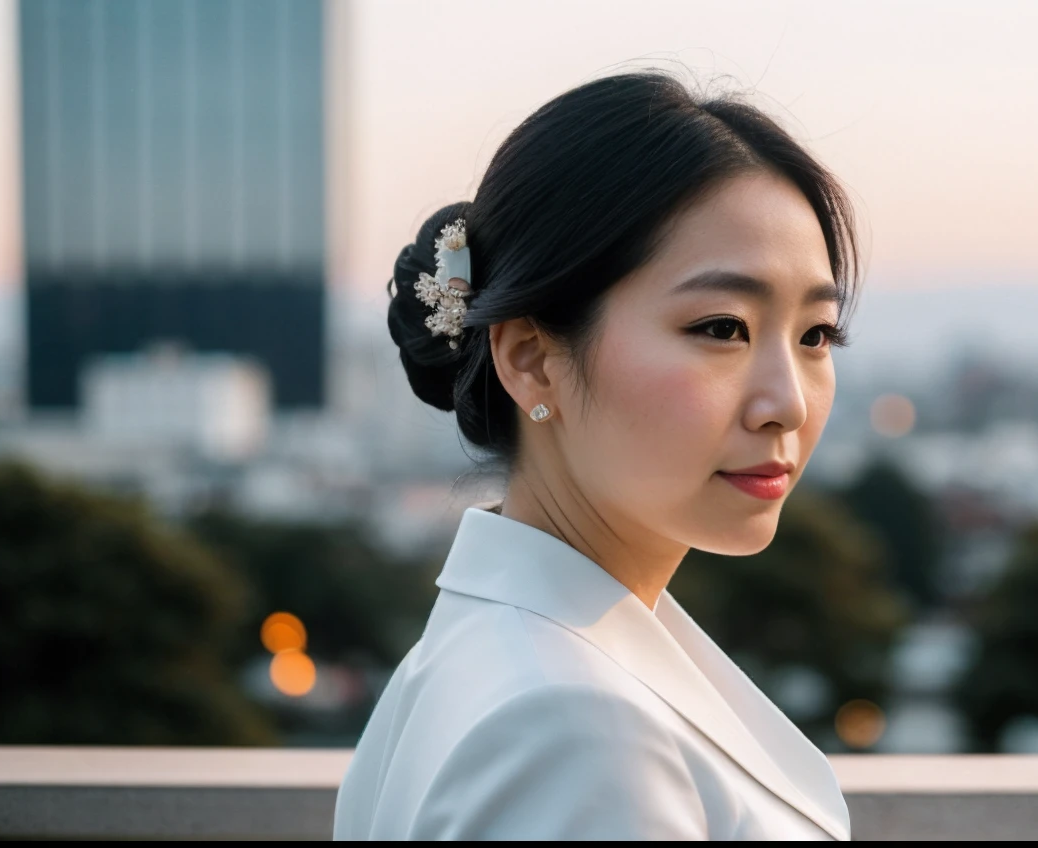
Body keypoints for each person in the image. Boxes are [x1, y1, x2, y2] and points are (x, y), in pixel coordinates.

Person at [333, 71, 860, 840]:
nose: (789, 403)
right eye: (720, 327)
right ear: (532, 360)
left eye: (815, 335)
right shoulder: (575, 726)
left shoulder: (488, 654)